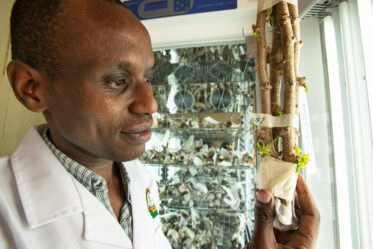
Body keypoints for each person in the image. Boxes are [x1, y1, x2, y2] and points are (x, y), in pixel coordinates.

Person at [0, 0, 320, 248]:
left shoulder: (137, 178)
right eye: (117, 80)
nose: (150, 103)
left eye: (148, 77)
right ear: (31, 87)